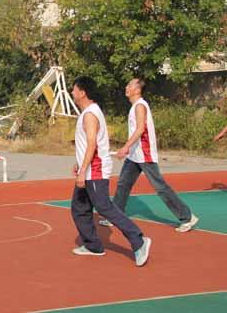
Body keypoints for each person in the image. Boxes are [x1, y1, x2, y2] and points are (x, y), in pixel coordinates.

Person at [70, 76, 151, 267]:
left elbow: (92, 144)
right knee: (79, 207)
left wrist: (83, 170)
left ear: (82, 92)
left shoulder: (90, 114)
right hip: (89, 168)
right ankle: (93, 246)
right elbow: (86, 144)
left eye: (74, 89)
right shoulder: (88, 112)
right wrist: (79, 163)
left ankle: (139, 240)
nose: (72, 92)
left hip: (95, 170)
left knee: (104, 207)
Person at [99, 78, 199, 232]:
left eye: (130, 85)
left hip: (145, 154)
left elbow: (140, 129)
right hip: (135, 155)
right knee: (123, 184)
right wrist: (129, 149)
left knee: (160, 187)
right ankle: (116, 216)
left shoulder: (140, 106)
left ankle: (187, 217)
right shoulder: (134, 107)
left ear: (137, 89)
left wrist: (125, 147)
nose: (126, 87)